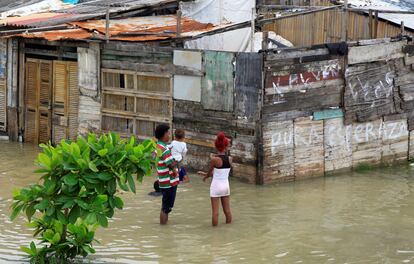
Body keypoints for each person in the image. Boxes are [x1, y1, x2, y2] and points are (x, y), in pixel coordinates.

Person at [197, 132, 232, 227]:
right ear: (226, 146)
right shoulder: (230, 159)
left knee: (215, 213)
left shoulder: (214, 159)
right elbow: (221, 173)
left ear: (216, 146)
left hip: (216, 187)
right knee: (227, 211)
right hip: (226, 186)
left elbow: (210, 173)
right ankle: (229, 228)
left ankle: (214, 234)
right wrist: (205, 174)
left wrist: (205, 176)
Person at [155, 124, 178, 225]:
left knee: (165, 206)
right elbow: (170, 164)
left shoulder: (158, 146)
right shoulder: (165, 149)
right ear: (164, 134)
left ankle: (164, 227)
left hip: (163, 180)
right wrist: (176, 171)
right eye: (168, 133)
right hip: (169, 181)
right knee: (166, 207)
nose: (169, 135)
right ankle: (163, 227)